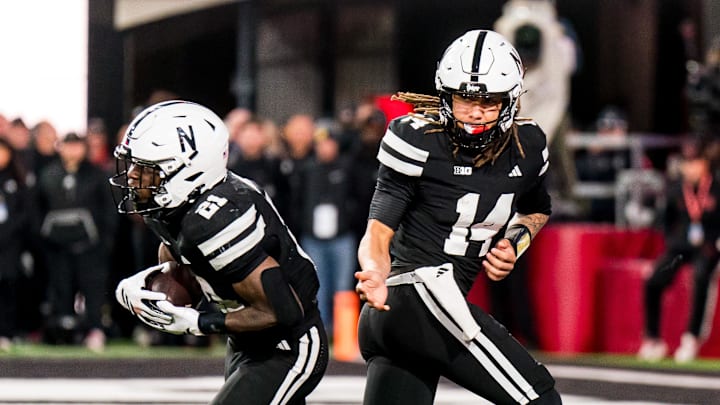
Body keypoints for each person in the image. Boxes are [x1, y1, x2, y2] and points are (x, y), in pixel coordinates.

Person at [354, 29, 561, 404]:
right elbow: (379, 229)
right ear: (445, 95)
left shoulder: (526, 146)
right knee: (541, 399)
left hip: (411, 320)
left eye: (489, 101)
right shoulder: (418, 138)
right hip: (414, 297)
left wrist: (513, 244)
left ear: (511, 101)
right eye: (465, 98)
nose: (477, 111)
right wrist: (374, 270)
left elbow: (536, 209)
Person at [111, 101, 328, 404]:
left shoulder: (219, 218)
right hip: (246, 342)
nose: (133, 176)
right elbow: (188, 266)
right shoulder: (172, 206)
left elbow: (282, 312)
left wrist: (197, 323)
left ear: (186, 170)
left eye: (146, 168)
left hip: (289, 345)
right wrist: (145, 284)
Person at [638, 137, 720, 363]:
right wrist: (673, 242)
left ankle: (692, 336)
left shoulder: (716, 187)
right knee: (654, 279)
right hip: (681, 250)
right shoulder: (675, 189)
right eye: (686, 162)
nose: (690, 168)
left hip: (709, 248)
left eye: (694, 162)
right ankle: (653, 338)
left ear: (705, 162)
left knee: (702, 276)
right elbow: (665, 222)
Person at [36, 131, 117, 351]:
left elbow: (109, 209)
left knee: (92, 288)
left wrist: (104, 239)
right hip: (57, 244)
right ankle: (64, 329)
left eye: (76, 146)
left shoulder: (98, 174)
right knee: (61, 288)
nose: (72, 151)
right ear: (60, 147)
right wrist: (43, 237)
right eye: (68, 145)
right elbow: (38, 208)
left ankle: (94, 329)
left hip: (90, 245)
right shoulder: (48, 174)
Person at [0, 138, 33, 351]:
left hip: (10, 247)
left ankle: (7, 332)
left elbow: (25, 213)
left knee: (8, 289)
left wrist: (7, 232)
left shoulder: (18, 180)